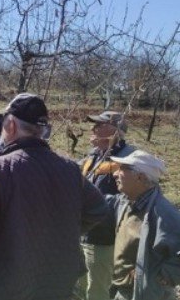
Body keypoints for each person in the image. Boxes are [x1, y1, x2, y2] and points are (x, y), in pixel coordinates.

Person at [0, 94, 109, 300]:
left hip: (3, 286)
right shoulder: (71, 170)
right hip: (57, 283)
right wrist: (59, 234)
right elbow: (99, 209)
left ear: (10, 125)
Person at [108, 150, 180, 300]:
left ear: (140, 177)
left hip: (144, 293)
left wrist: (165, 276)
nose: (115, 174)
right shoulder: (126, 202)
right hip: (121, 288)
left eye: (122, 169)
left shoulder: (163, 213)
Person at [80, 110, 136, 300]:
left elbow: (131, 201)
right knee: (80, 285)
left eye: (99, 125)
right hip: (83, 233)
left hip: (105, 238)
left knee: (97, 291)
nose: (93, 129)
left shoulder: (128, 160)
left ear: (115, 131)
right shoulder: (94, 155)